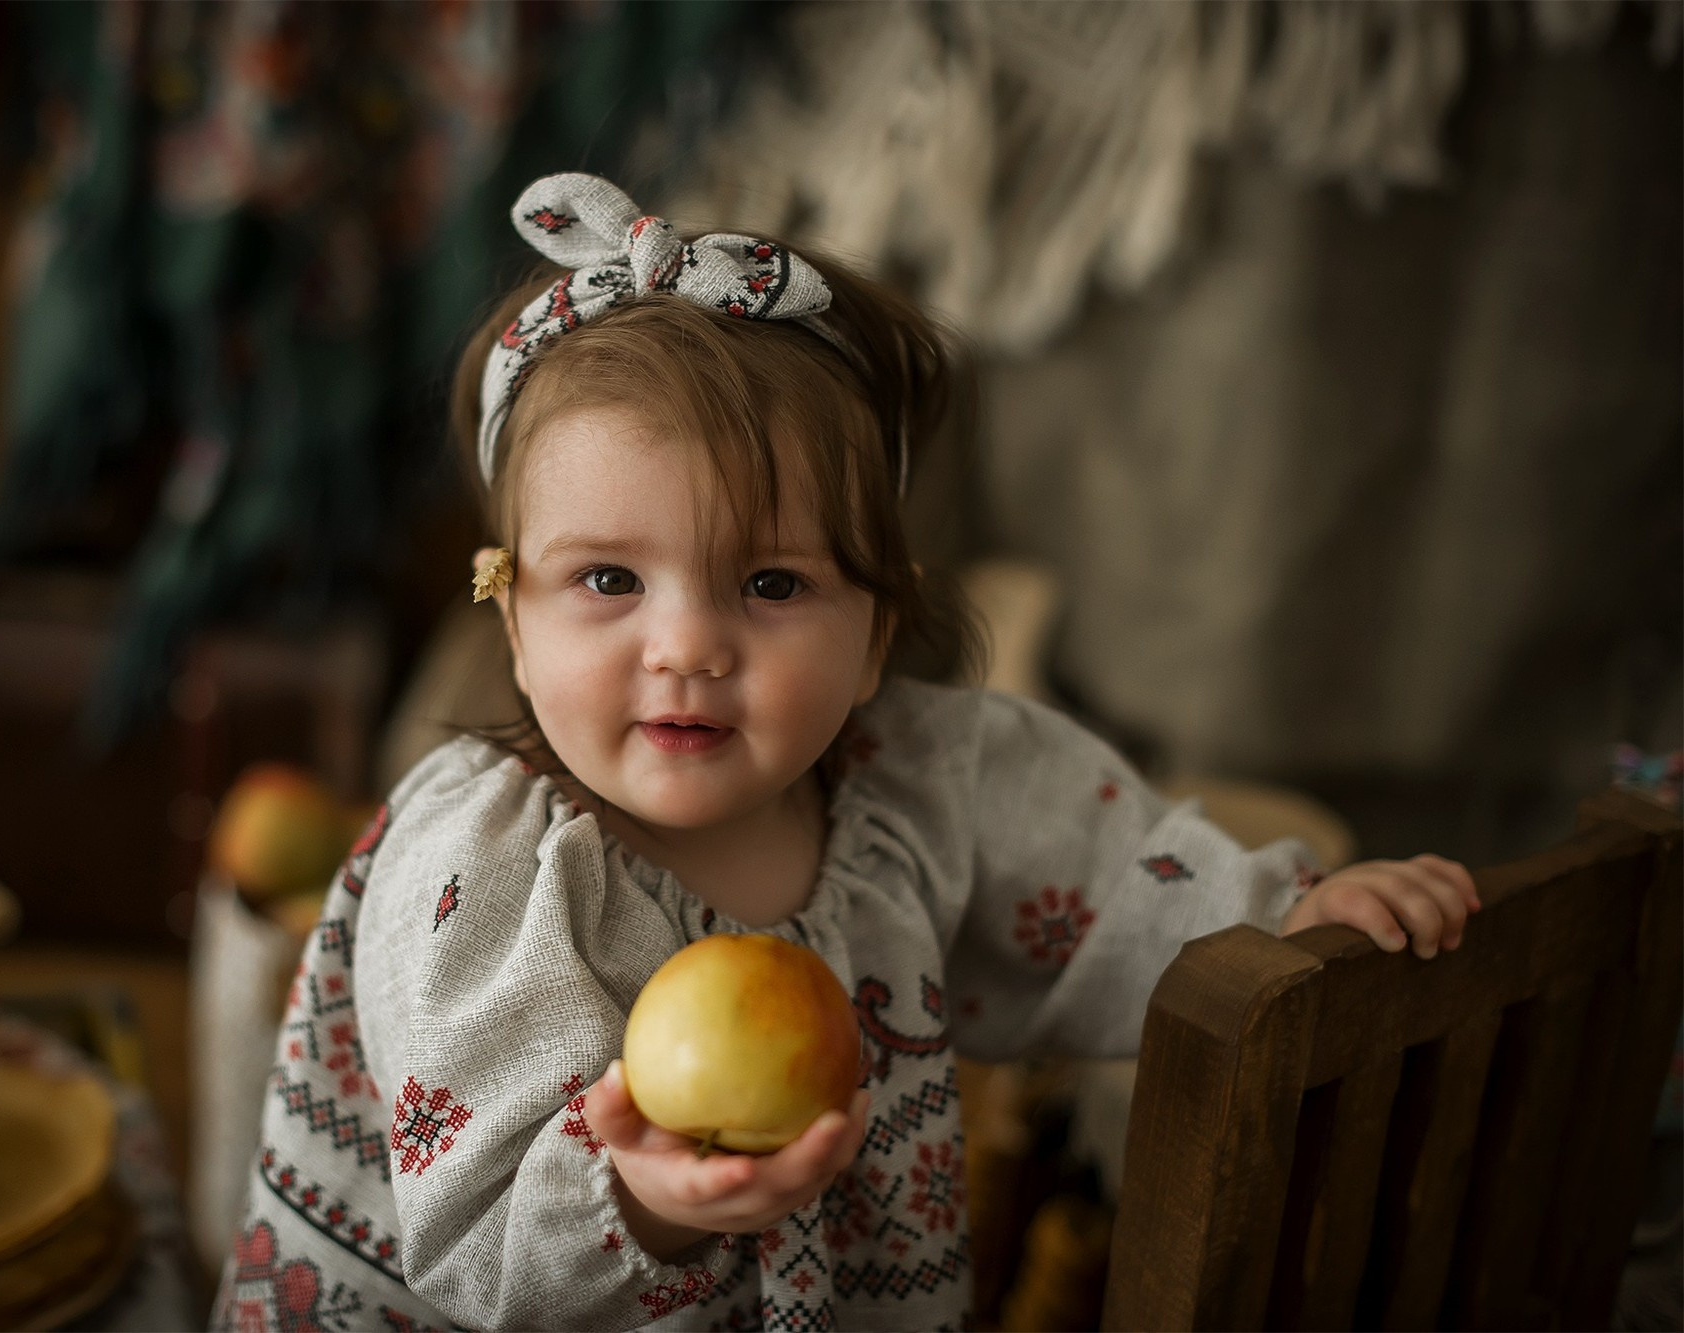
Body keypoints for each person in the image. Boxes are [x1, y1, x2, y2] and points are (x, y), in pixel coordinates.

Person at [213, 173, 1478, 1332]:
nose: (686, 647)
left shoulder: (919, 780)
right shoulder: (481, 872)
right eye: (607, 579)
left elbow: (1113, 878)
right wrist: (644, 1200)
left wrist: (1286, 911)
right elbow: (475, 1258)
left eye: (770, 583)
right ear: (512, 619)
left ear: (875, 633)